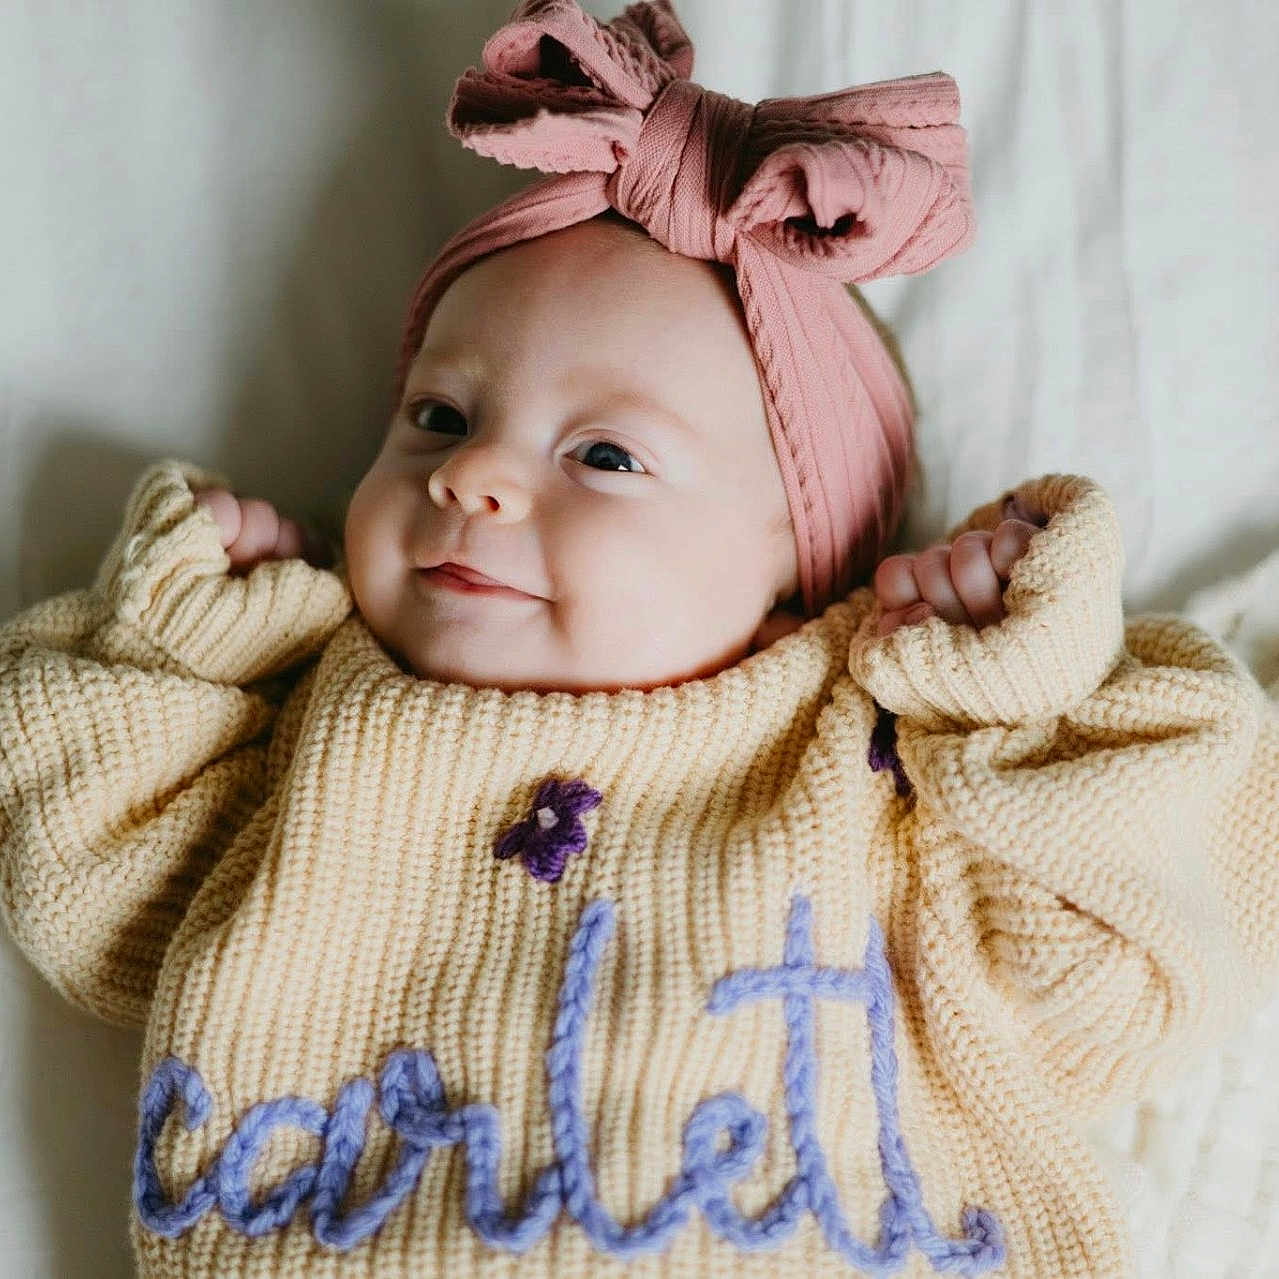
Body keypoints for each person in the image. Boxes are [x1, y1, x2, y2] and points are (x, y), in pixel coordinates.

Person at [2, 2, 1276, 1275]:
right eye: (439, 416)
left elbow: (1128, 993)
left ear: (800, 571)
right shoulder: (307, 745)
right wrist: (188, 643)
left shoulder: (875, 774)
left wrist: (1014, 699)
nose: (470, 477)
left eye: (604, 455)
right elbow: (77, 870)